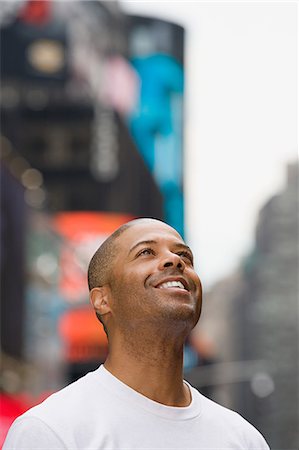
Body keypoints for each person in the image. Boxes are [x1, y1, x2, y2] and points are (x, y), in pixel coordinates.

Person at [3, 218, 270, 449]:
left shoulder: (244, 440)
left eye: (185, 257)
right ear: (102, 300)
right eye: (145, 253)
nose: (175, 261)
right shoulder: (50, 431)